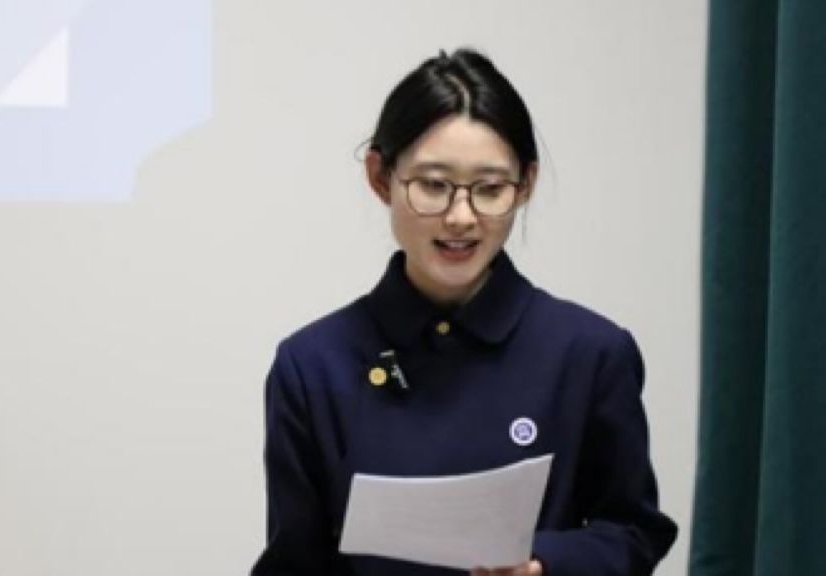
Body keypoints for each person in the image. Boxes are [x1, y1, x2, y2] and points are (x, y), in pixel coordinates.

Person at [250, 48, 677, 576]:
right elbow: (293, 561)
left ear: (526, 185)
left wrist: (546, 564)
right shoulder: (313, 365)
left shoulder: (589, 352)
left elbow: (634, 530)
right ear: (380, 177)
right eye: (433, 185)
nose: (460, 217)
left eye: (490, 189)